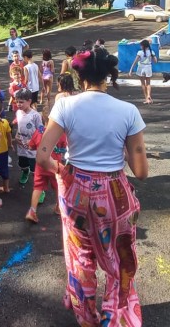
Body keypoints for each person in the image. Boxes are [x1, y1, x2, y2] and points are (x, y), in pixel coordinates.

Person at [36, 47, 148, 327]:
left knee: (80, 257)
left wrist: (61, 170)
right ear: (107, 76)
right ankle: (117, 316)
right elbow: (141, 172)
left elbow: (42, 156)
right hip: (114, 193)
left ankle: (86, 316)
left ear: (80, 76)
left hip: (76, 188)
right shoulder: (128, 111)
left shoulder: (65, 106)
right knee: (119, 259)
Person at [25, 111, 66, 223]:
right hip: (54, 165)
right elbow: (64, 147)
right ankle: (59, 207)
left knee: (38, 187)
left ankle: (32, 211)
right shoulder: (61, 134)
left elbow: (31, 146)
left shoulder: (39, 131)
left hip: (41, 165)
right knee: (58, 187)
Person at [14, 88, 42, 185]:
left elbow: (41, 131)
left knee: (34, 167)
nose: (18, 104)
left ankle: (39, 185)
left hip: (32, 147)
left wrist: (32, 141)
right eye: (17, 102)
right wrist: (16, 135)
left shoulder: (35, 115)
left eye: (21, 102)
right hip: (21, 145)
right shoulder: (18, 113)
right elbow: (19, 127)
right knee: (23, 163)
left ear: (29, 101)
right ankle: (25, 172)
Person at [129, 39, 157, 104]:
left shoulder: (140, 52)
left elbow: (135, 62)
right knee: (148, 83)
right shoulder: (151, 52)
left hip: (141, 68)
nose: (140, 46)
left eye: (141, 45)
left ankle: (146, 98)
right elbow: (155, 61)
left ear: (143, 46)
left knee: (143, 83)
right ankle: (149, 95)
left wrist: (131, 70)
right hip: (148, 68)